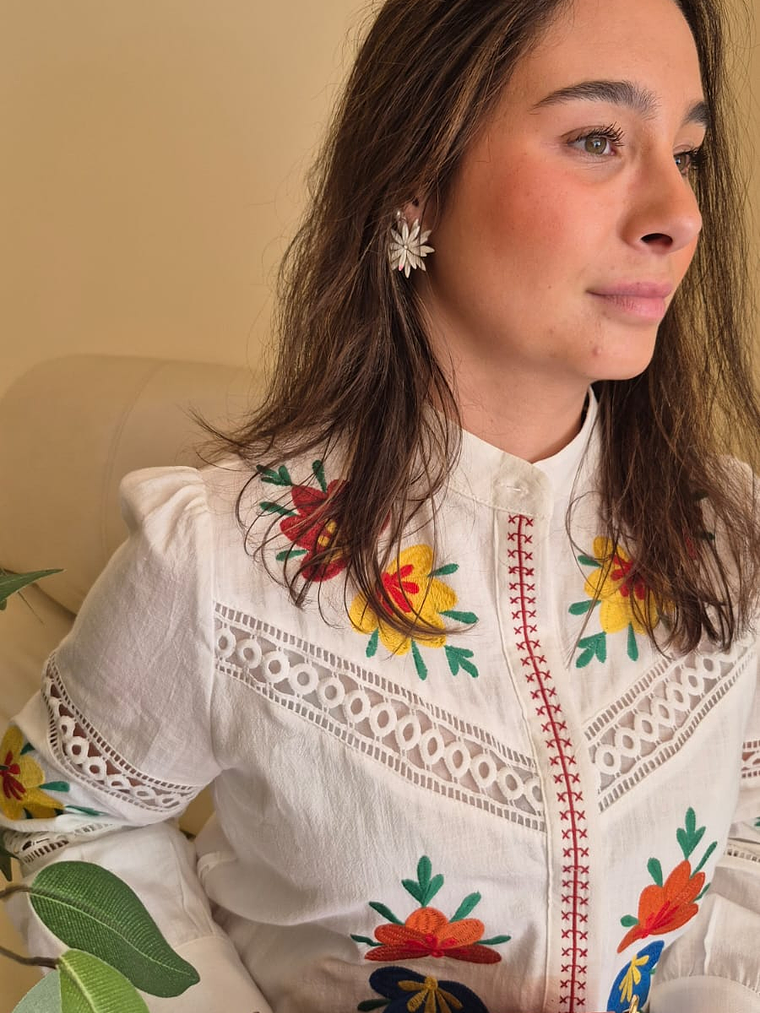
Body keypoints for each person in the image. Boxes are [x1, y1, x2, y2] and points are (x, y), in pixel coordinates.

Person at [2, 0, 759, 1010]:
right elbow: (59, 813)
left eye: (687, 152)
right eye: (597, 139)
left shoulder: (726, 531)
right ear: (416, 181)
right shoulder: (222, 555)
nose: (680, 212)